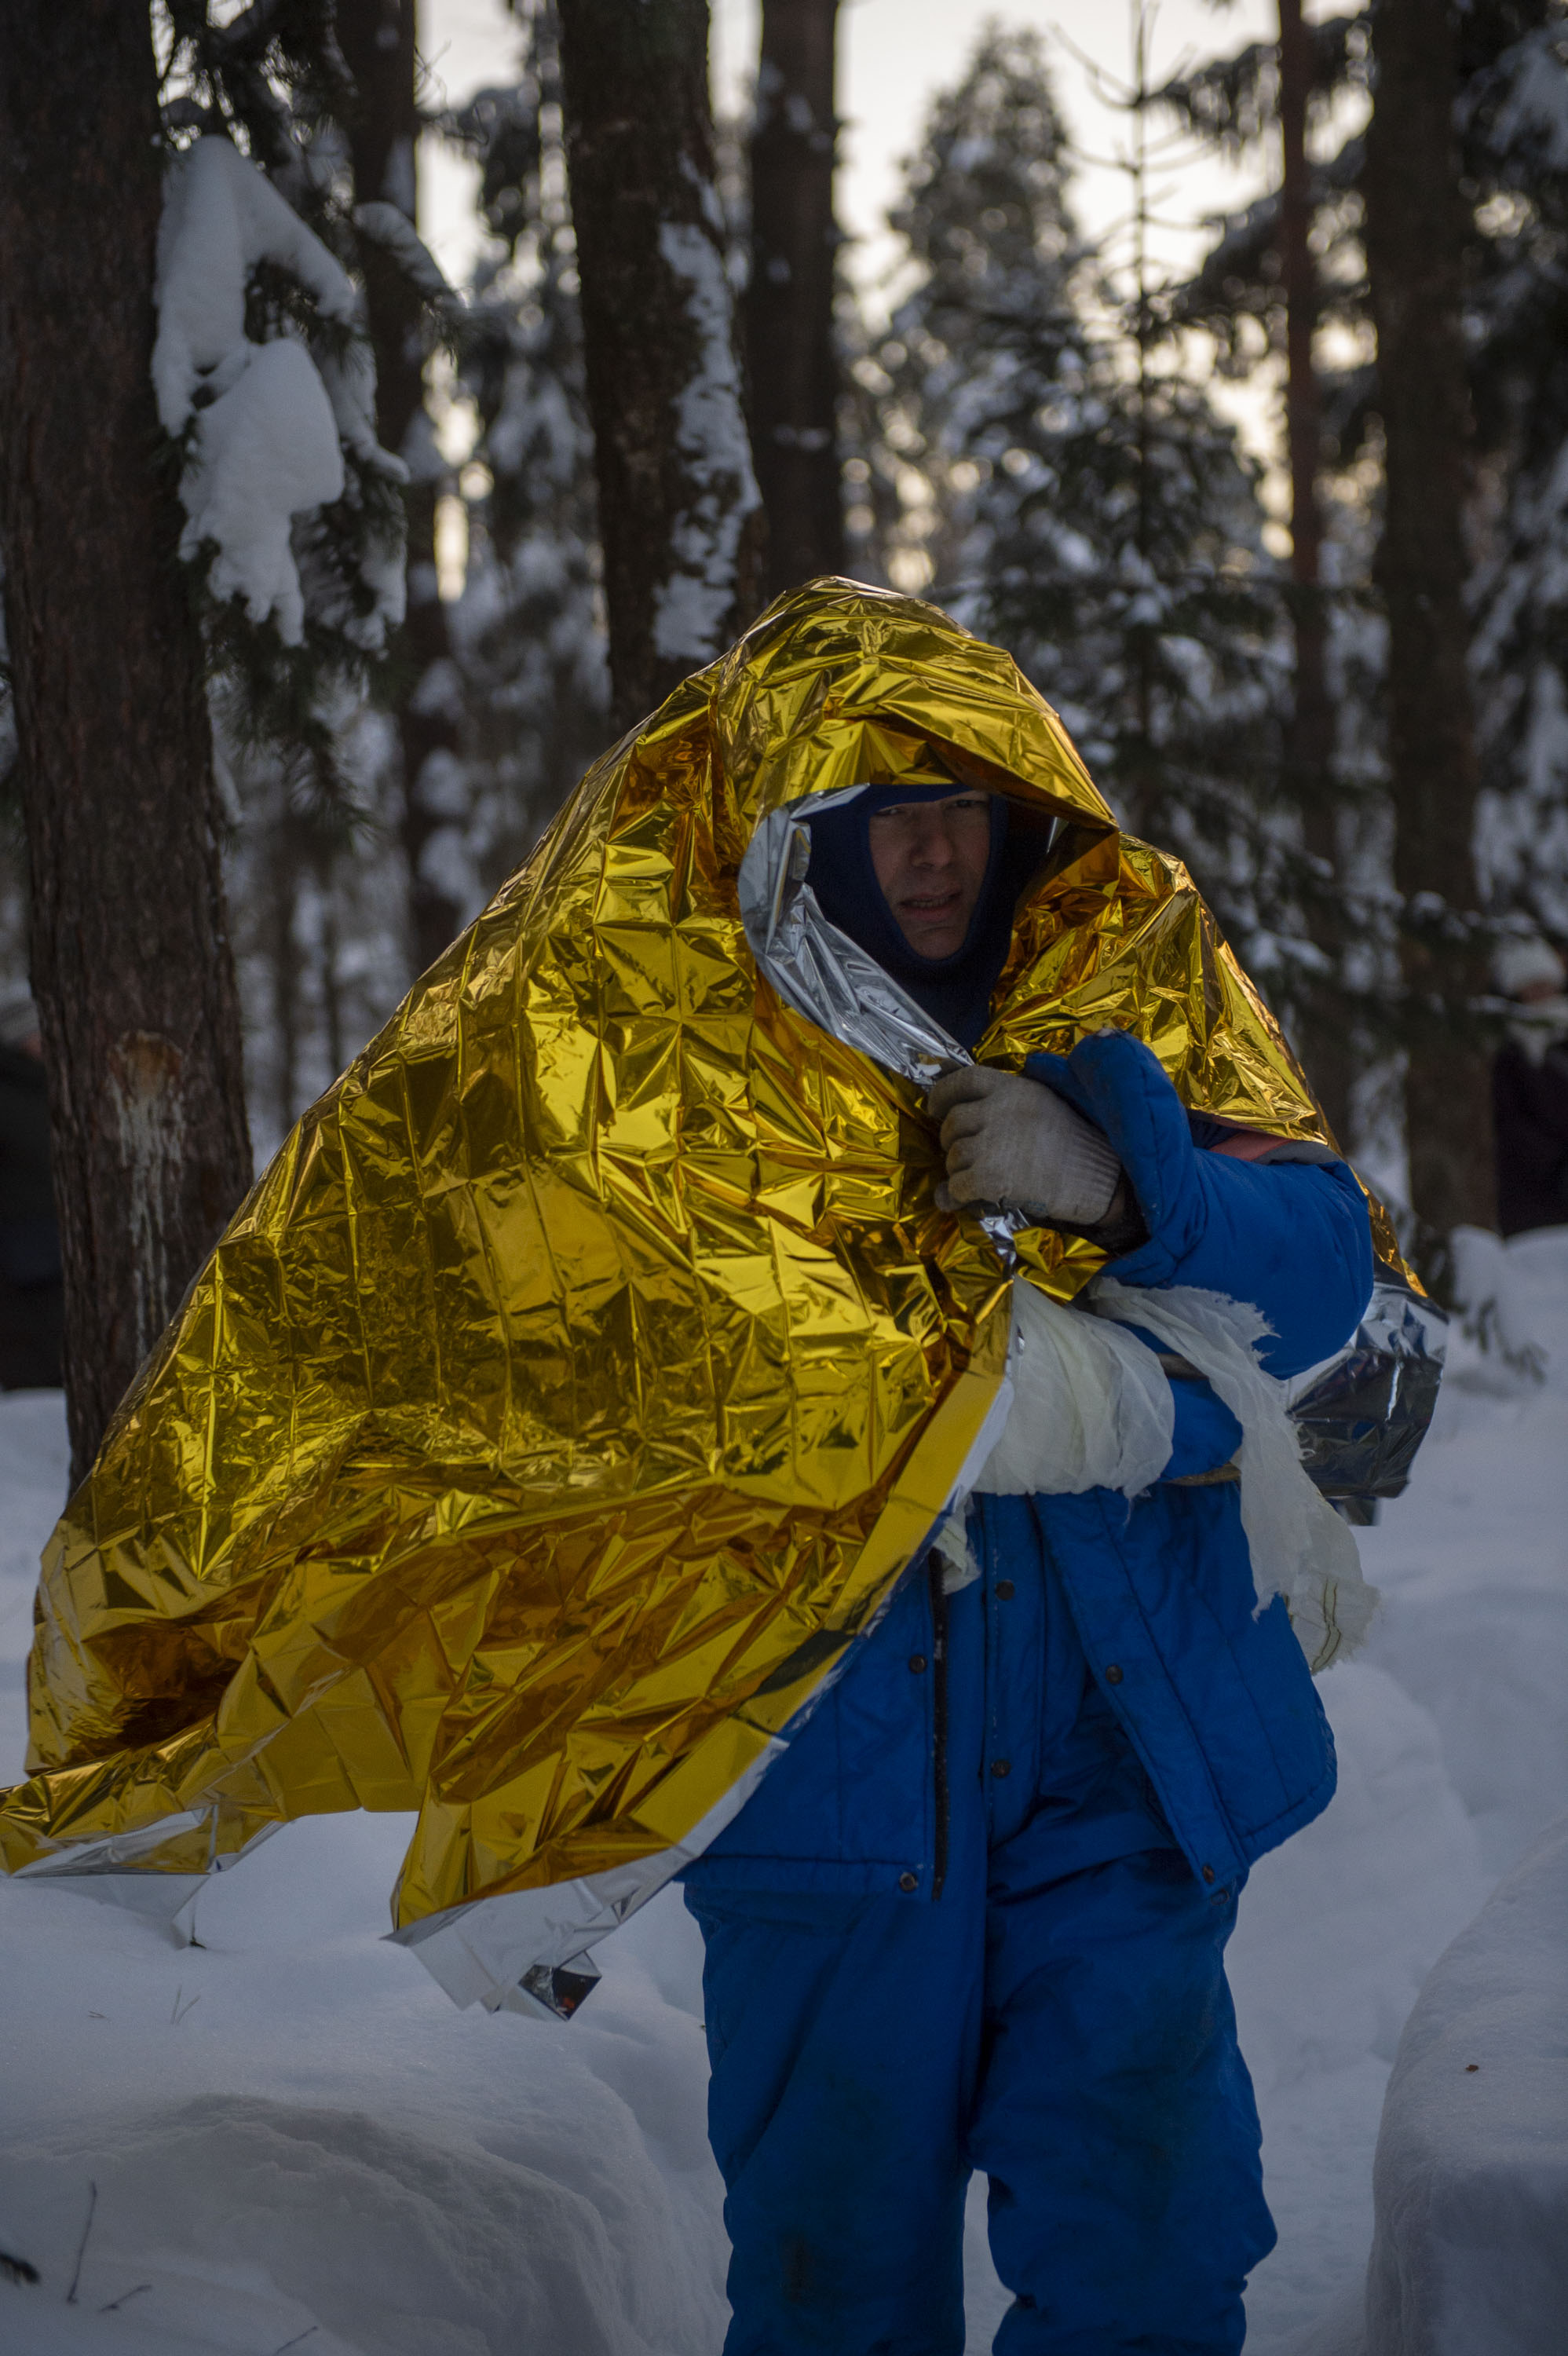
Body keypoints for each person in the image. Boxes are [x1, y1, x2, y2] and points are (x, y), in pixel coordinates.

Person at [679, 779, 1373, 2354]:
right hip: (820, 1782)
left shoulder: (1129, 981)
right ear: (818, 834)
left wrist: (1121, 1184)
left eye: (958, 810)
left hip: (1114, 1755)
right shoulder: (705, 1038)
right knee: (831, 2287)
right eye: (886, 816)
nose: (929, 852)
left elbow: (1323, 1262)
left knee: (1145, 2249)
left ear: (1015, 822)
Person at [0, 993, 62, 1390]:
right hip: (19, 1250)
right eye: (37, 1034)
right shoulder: (8, 1094)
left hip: (59, 1242)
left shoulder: (55, 1089)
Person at [1491, 934, 1568, 1238]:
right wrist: (1556, 1165)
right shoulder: (1510, 1052)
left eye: (1546, 984)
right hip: (1532, 1197)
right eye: (1533, 987)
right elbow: (1510, 1121)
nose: (1542, 994)